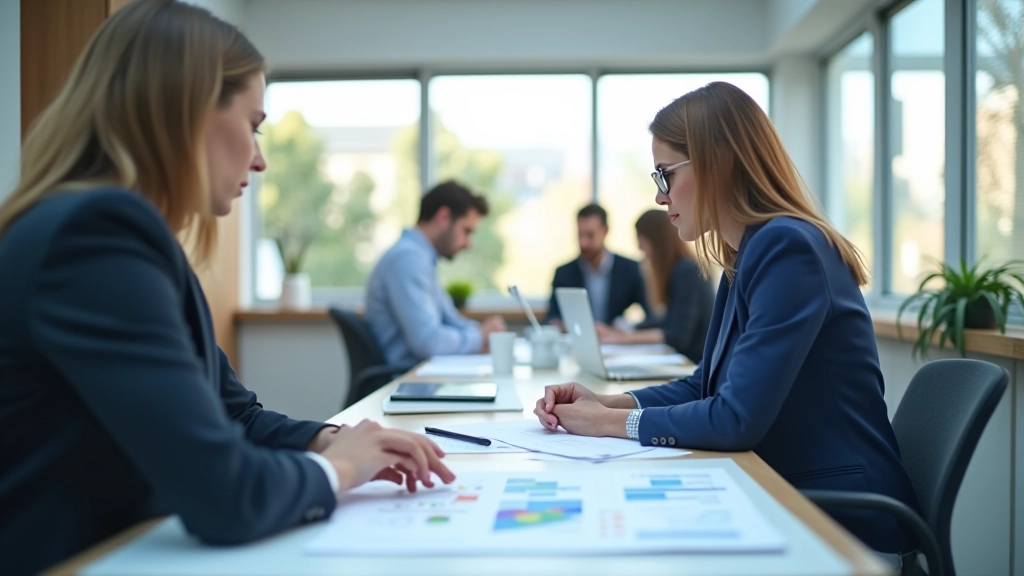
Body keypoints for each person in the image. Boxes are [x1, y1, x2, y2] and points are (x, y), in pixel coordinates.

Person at [0, 3, 453, 575]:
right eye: (254, 124)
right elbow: (223, 494)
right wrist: (340, 471)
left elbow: (234, 416)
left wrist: (334, 440)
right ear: (186, 113)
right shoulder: (96, 236)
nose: (260, 159)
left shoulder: (130, 237)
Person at [533, 82, 920, 560]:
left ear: (717, 163)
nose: (660, 197)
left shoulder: (788, 248)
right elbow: (706, 387)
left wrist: (610, 424)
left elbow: (736, 419)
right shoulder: (747, 254)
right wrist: (607, 402)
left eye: (665, 175)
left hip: (845, 520)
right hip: (786, 492)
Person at [365, 180, 507, 366]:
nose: (468, 243)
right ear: (443, 217)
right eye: (466, 231)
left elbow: (450, 320)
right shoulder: (407, 259)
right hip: (406, 382)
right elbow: (427, 342)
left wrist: (485, 331)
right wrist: (480, 336)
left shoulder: (422, 258)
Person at [598, 209, 714, 362]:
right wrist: (626, 330)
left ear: (657, 242)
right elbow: (666, 320)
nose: (642, 252)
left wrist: (622, 339)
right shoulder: (681, 269)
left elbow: (677, 335)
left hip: (692, 367)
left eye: (642, 244)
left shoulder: (687, 271)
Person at [545, 203, 649, 329]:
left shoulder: (630, 269)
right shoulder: (564, 273)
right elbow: (551, 317)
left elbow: (651, 314)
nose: (584, 243)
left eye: (590, 235)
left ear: (605, 231)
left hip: (615, 343)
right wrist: (560, 325)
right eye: (580, 235)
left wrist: (627, 327)